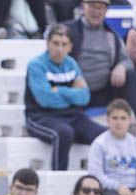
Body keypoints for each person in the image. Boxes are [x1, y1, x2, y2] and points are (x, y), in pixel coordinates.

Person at [65, 0, 136, 134]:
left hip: (104, 90)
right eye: (93, 7)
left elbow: (127, 60)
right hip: (76, 90)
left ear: (106, 10)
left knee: (132, 76)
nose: (97, 12)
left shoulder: (111, 35)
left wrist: (121, 66)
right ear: (84, 6)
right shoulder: (69, 31)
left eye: (101, 8)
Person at [25, 24, 104, 172]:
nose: (59, 49)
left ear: (70, 47)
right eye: (55, 43)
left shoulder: (71, 64)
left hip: (73, 116)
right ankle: (58, 179)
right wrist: (72, 92)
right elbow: (45, 99)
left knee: (103, 135)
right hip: (40, 117)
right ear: (48, 43)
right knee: (64, 133)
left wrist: (59, 90)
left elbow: (84, 97)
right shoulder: (36, 65)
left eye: (64, 44)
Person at [87, 99, 136, 195]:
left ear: (129, 120)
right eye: (114, 118)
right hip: (110, 189)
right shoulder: (99, 144)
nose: (119, 122)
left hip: (135, 188)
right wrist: (118, 187)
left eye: (123, 118)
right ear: (107, 120)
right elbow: (95, 174)